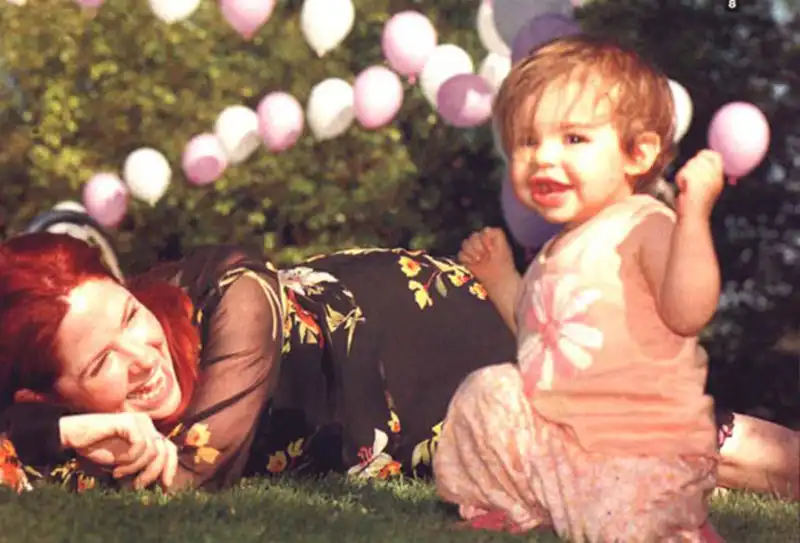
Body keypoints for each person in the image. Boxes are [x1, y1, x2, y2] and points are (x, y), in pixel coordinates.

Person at [0, 210, 796, 499]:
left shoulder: (222, 290)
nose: (140, 354)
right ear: (54, 388)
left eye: (130, 316)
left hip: (421, 329)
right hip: (393, 435)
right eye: (100, 364)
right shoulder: (77, 422)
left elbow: (194, 470)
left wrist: (155, 463)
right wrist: (64, 433)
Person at [432, 35, 730, 542]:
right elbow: (538, 341)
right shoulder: (553, 252)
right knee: (488, 390)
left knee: (623, 526)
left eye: (573, 138)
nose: (543, 158)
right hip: (562, 443)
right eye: (528, 141)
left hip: (638, 451)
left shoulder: (644, 225)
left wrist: (694, 218)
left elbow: (689, 312)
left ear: (637, 153)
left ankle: (675, 527)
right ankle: (514, 506)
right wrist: (502, 280)